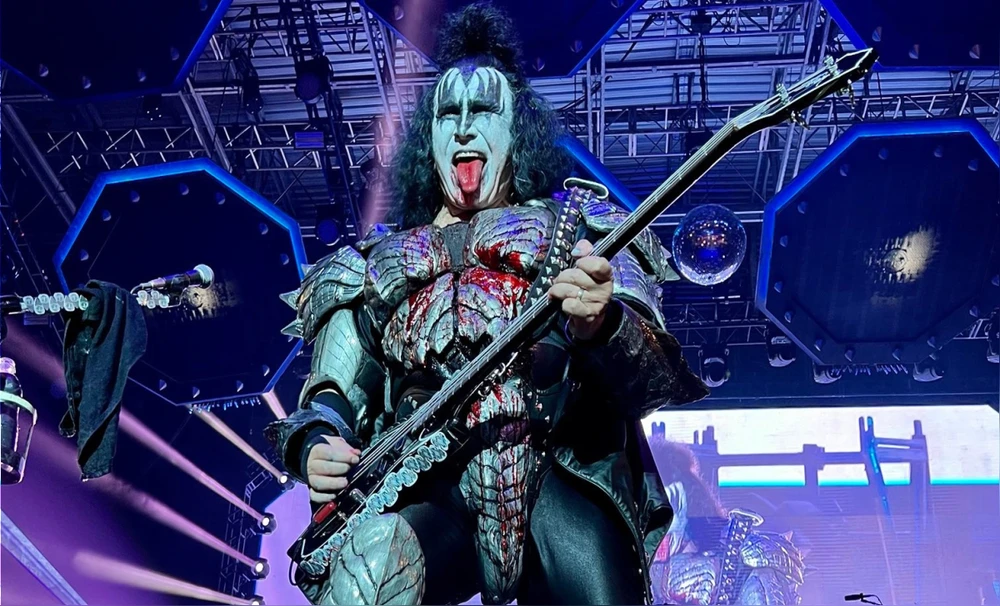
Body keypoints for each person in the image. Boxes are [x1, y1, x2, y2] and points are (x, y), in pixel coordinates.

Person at [265, 4, 708, 604]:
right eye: (448, 113)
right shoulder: (370, 265)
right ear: (429, 137)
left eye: (484, 111)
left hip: (559, 466)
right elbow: (331, 393)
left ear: (515, 131)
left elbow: (653, 381)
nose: (464, 128)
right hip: (429, 483)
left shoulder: (583, 227)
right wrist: (317, 444)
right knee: (370, 569)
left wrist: (603, 324)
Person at [647, 435, 805, 605]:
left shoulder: (746, 560)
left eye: (664, 506)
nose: (654, 525)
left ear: (686, 499)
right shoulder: (632, 567)